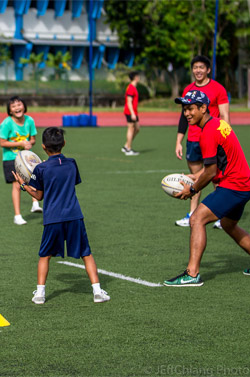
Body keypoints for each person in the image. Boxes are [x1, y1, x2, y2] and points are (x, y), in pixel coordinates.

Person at [12, 127, 110, 304]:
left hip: (52, 218)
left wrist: (23, 185)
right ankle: (97, 291)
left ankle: (40, 294)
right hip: (74, 216)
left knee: (45, 255)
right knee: (86, 254)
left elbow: (39, 196)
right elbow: (71, 181)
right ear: (64, 143)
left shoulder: (41, 168)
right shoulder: (72, 163)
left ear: (43, 146)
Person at [164, 90, 250, 287]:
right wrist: (195, 176)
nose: (187, 113)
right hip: (243, 182)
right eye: (185, 109)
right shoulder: (218, 124)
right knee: (228, 225)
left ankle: (192, 274)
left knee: (197, 218)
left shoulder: (208, 133)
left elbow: (211, 173)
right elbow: (218, 163)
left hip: (234, 185)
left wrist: (191, 189)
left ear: (203, 108)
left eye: (191, 108)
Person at [175, 55, 230, 229]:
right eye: (195, 67)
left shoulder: (218, 89)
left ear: (208, 70)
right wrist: (178, 141)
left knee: (216, 178)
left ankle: (221, 215)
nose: (198, 70)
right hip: (193, 140)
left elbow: (225, 115)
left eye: (201, 67)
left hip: (213, 138)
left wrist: (225, 138)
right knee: (194, 179)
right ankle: (192, 214)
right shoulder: (188, 90)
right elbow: (183, 117)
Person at [0, 96, 43, 225]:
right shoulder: (7, 123)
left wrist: (29, 143)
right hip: (11, 158)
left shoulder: (30, 120)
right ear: (10, 111)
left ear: (24, 106)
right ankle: (17, 215)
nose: (17, 107)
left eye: (19, 104)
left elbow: (33, 139)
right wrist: (20, 144)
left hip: (26, 158)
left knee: (34, 178)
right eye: (13, 106)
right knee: (17, 185)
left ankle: (35, 203)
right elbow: (2, 142)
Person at [121, 71, 140, 156]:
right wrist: (132, 113)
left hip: (134, 112)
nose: (139, 78)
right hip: (130, 112)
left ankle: (126, 145)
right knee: (131, 129)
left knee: (137, 128)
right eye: (138, 76)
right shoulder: (131, 88)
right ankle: (128, 149)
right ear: (135, 77)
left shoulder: (133, 87)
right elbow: (129, 102)